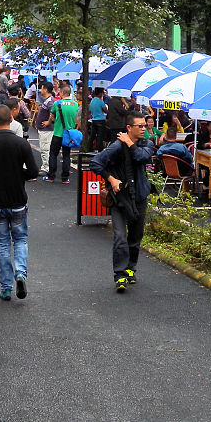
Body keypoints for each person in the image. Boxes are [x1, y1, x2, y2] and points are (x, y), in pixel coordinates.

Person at [0, 104, 38, 302]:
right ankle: (20, 273)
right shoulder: (21, 144)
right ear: (11, 120)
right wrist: (21, 174)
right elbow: (34, 171)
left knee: (3, 244)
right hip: (18, 198)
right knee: (20, 239)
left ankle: (5, 287)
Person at [90, 111, 155, 292]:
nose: (144, 128)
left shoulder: (146, 144)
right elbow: (96, 163)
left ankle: (131, 268)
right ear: (129, 128)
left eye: (145, 125)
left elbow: (142, 157)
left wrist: (129, 143)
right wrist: (110, 179)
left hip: (140, 197)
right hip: (120, 199)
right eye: (139, 126)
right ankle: (119, 275)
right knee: (120, 237)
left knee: (135, 237)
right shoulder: (116, 146)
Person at [44, 83, 78, 183]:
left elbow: (51, 115)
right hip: (69, 134)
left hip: (58, 133)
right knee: (66, 155)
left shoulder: (57, 103)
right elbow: (77, 118)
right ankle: (65, 178)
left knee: (53, 154)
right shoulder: (75, 105)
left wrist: (48, 122)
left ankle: (51, 176)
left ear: (62, 92)